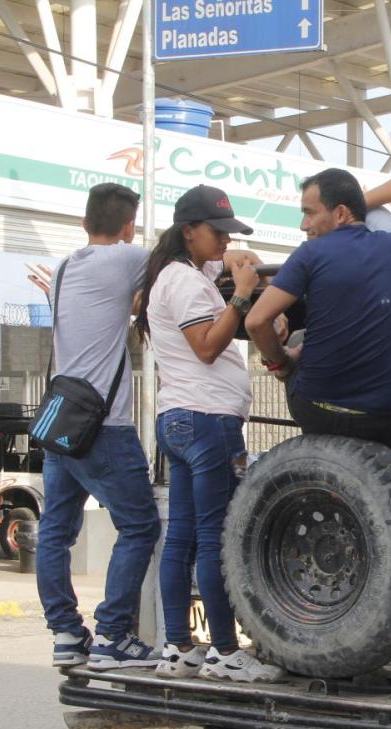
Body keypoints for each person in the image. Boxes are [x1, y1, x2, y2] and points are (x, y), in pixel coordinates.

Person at [133, 185, 282, 683]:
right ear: (187, 231)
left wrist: (239, 261)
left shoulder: (179, 274)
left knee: (181, 538)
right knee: (215, 538)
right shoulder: (185, 284)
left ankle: (178, 646)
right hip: (208, 420)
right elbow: (207, 346)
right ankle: (224, 650)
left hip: (181, 419)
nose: (223, 241)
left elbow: (241, 257)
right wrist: (241, 296)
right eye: (215, 232)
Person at [37, 183, 162, 669]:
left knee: (55, 532)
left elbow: (113, 310)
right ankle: (113, 635)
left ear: (85, 223)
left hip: (60, 420)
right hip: (103, 425)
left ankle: (67, 634)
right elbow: (175, 261)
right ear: (129, 225)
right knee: (139, 525)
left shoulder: (65, 269)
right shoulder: (127, 259)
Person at [246, 169, 391, 449]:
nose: (303, 225)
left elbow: (256, 321)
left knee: (297, 340)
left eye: (309, 213)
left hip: (316, 410)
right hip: (379, 418)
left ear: (341, 213)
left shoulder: (310, 253)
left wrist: (281, 362)